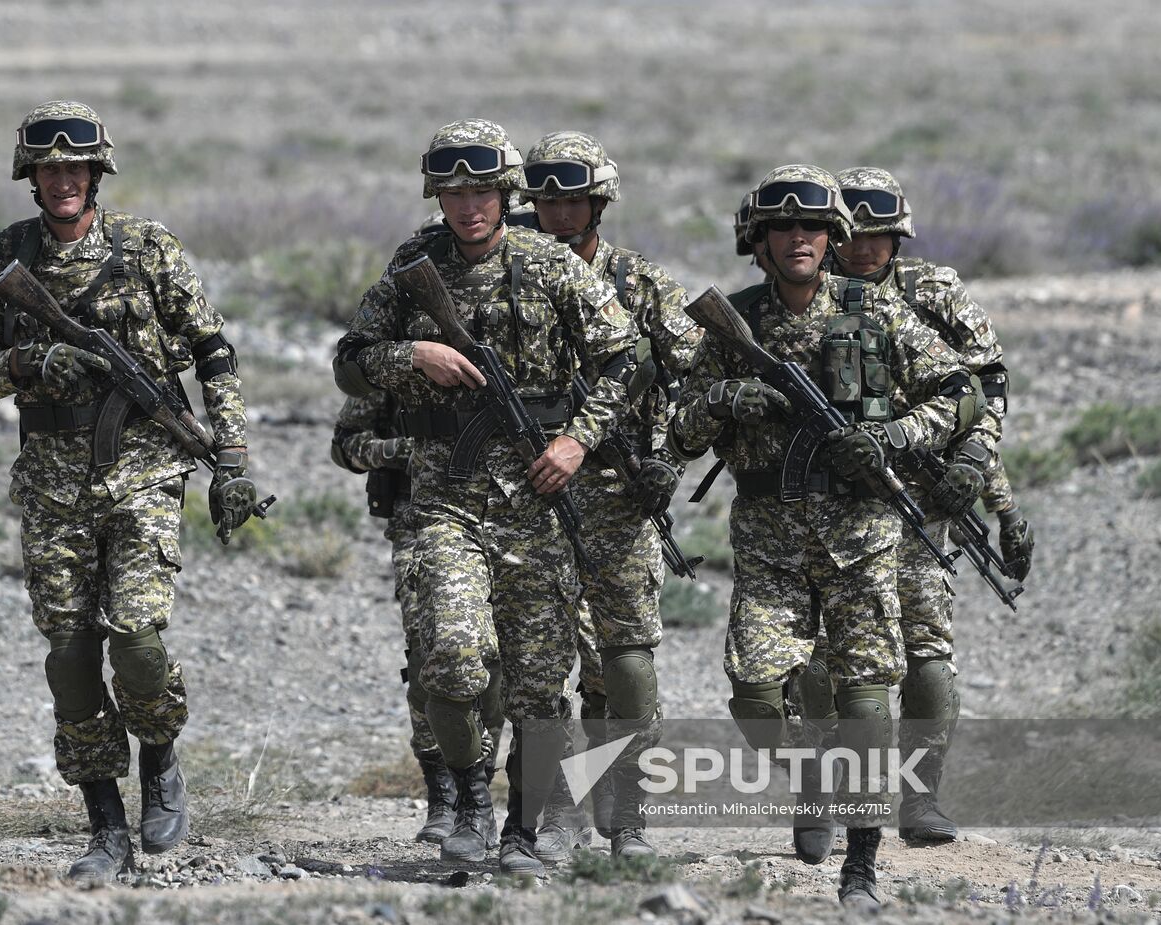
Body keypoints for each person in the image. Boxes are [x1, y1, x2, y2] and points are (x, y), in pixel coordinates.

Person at [666, 165, 981, 908]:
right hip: (770, 545)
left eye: (811, 227)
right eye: (783, 227)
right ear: (760, 240)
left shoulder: (876, 314)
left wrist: (894, 434)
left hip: (862, 542)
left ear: (832, 234)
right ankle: (809, 778)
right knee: (752, 690)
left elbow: (959, 391)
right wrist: (723, 398)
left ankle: (862, 863)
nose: (799, 239)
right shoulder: (731, 323)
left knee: (868, 699)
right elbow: (677, 433)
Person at [0, 101, 253, 883]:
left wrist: (233, 455)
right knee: (71, 656)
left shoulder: (147, 247)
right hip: (53, 481)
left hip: (147, 470)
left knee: (138, 638)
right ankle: (105, 826)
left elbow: (212, 350)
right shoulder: (5, 258)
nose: (63, 180)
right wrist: (27, 367)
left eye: (76, 169)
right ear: (32, 177)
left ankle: (158, 757)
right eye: (50, 169)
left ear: (96, 174)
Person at [334, 118, 636, 877]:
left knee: (538, 684)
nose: (468, 205)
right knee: (454, 660)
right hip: (446, 499)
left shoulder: (550, 265)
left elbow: (623, 360)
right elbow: (350, 362)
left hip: (535, 503)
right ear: (436, 194)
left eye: (482, 189)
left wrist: (577, 440)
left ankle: (526, 827)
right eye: (453, 191)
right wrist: (416, 353)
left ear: (505, 193)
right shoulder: (413, 269)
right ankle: (468, 796)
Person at [830, 166, 1032, 842]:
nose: (864, 250)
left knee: (927, 650)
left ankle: (920, 798)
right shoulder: (803, 297)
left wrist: (978, 469)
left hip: (921, 497)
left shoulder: (934, 292)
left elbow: (986, 389)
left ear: (899, 238)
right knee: (821, 656)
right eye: (853, 236)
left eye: (878, 238)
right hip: (826, 502)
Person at [519, 130, 701, 862]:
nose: (557, 210)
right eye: (545, 196)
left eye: (572, 196)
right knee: (534, 665)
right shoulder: (509, 275)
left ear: (598, 201)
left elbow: (700, 378)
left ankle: (626, 814)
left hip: (621, 498)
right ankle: (555, 812)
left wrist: (670, 455)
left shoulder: (642, 283)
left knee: (623, 668)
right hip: (527, 494)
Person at [330, 389, 505, 844]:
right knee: (432, 655)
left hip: (509, 522)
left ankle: (479, 782)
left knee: (497, 661)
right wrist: (406, 450)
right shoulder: (405, 358)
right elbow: (346, 444)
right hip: (421, 525)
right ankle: (443, 795)